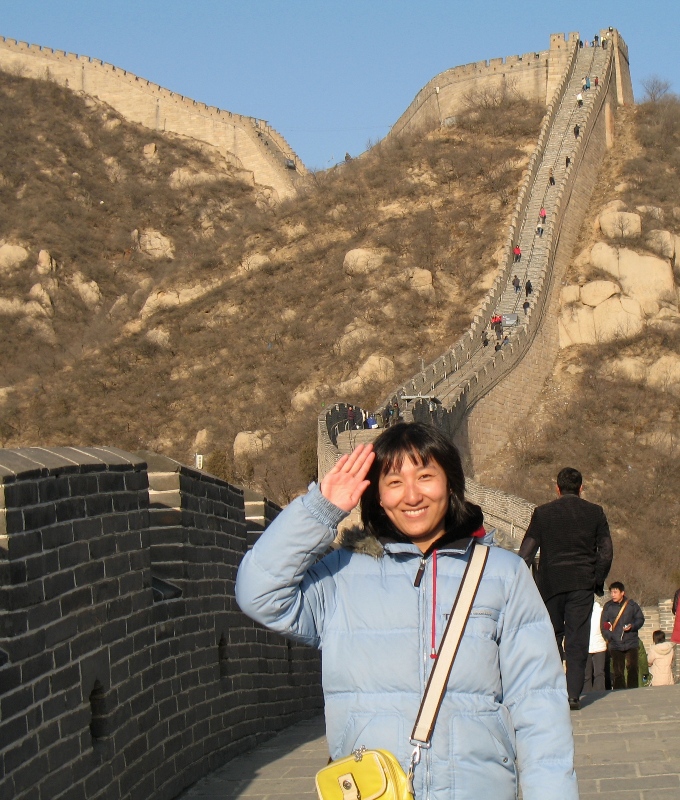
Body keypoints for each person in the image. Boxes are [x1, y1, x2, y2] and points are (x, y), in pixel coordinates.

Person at [236, 424, 579, 800]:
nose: (412, 495)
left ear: (450, 483)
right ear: (377, 496)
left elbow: (538, 702)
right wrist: (320, 510)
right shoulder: (340, 576)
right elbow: (258, 593)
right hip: (374, 789)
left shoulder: (502, 574)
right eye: (394, 481)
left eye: (426, 476)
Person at [519, 467, 613, 709]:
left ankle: (552, 689)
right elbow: (606, 551)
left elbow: (527, 551)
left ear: (557, 488)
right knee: (577, 638)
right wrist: (597, 581)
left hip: (550, 584)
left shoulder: (543, 514)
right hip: (582, 583)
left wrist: (520, 584)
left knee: (551, 636)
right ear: (581, 488)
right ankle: (573, 694)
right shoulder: (595, 513)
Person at [601, 581, 645, 690]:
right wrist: (609, 636)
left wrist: (633, 626)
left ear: (622, 593)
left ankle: (633, 689)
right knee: (618, 671)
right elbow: (604, 624)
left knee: (633, 667)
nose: (613, 595)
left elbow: (640, 619)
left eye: (615, 592)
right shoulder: (608, 606)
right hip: (615, 643)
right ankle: (619, 690)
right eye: (611, 592)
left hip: (631, 641)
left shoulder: (631, 605)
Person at [584, 597, 607, 692]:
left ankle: (598, 692)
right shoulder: (581, 611)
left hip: (599, 645)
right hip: (587, 646)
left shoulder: (601, 611)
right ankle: (587, 693)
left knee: (598, 673)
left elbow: (607, 626)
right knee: (587, 674)